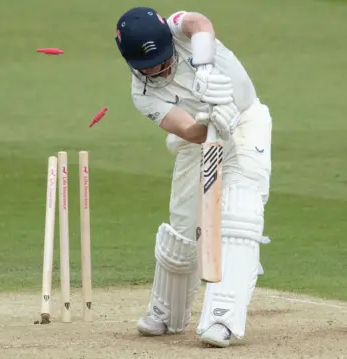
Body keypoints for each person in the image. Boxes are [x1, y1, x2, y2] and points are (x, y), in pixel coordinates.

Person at [114, 7, 272, 348]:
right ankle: (167, 313)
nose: (158, 69)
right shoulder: (142, 95)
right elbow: (188, 130)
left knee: (241, 214)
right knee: (184, 227)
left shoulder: (178, 30)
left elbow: (200, 22)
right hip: (198, 138)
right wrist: (210, 118)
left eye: (161, 59)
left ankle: (223, 319)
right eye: (148, 67)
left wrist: (203, 69)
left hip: (244, 123)